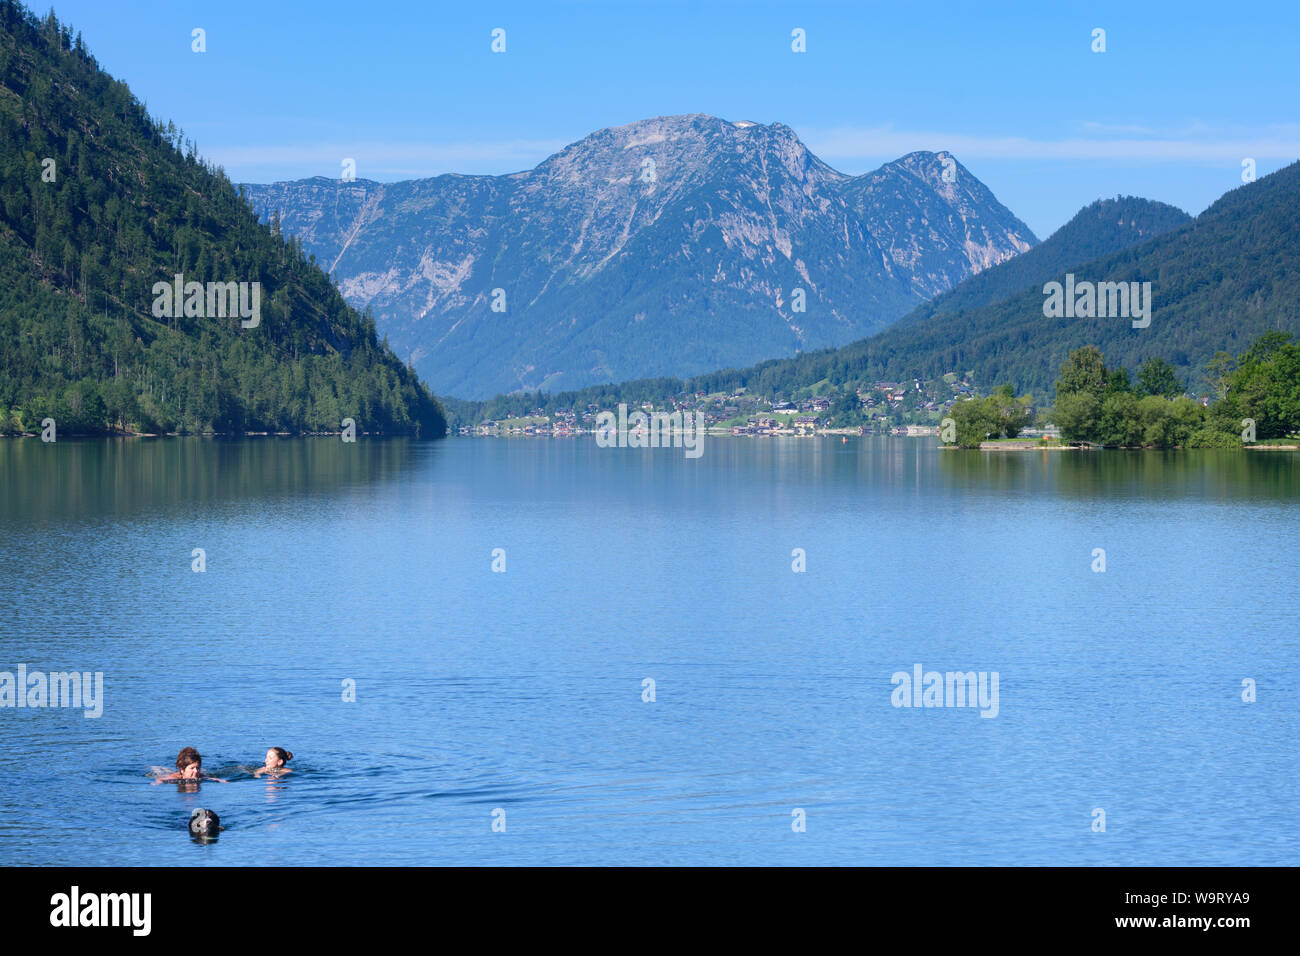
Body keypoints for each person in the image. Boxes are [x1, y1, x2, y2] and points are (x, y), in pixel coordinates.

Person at [153, 746, 227, 783]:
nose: (196, 771)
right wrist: (158, 782)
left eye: (197, 768)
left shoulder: (200, 776)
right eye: (192, 768)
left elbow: (211, 779)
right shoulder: (175, 778)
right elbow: (160, 779)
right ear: (182, 770)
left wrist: (222, 781)